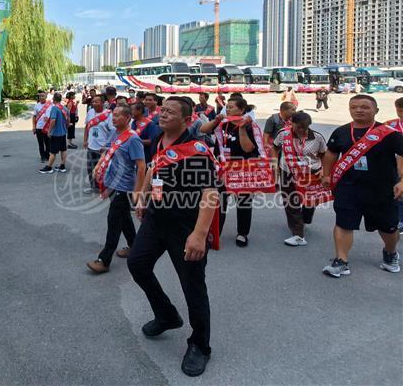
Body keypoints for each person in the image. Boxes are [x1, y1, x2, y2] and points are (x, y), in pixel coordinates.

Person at [128, 96, 219, 377]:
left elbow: (210, 194)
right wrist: (143, 197)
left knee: (192, 287)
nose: (162, 114)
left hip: (186, 227)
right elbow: (155, 169)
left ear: (187, 119)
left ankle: (200, 345)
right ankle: (167, 314)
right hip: (157, 219)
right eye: (161, 110)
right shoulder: (158, 138)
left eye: (170, 112)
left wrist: (199, 235)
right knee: (137, 264)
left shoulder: (197, 150)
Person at [321, 94, 403, 277]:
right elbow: (330, 154)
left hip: (382, 190)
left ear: (376, 110)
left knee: (388, 228)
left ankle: (390, 253)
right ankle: (341, 261)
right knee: (343, 223)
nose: (359, 110)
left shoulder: (389, 133)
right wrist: (326, 174)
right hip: (349, 187)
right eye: (354, 107)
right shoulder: (341, 132)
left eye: (365, 107)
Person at [87, 105, 146, 273]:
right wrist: (98, 166)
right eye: (113, 114)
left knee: (114, 222)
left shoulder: (133, 139)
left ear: (128, 118)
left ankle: (104, 260)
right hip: (112, 182)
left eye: (118, 115)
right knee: (124, 218)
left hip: (124, 186)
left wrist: (137, 191)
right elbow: (107, 152)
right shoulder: (114, 132)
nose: (114, 118)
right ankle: (134, 246)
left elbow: (141, 167)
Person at [201, 97, 260, 247]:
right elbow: (203, 130)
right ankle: (215, 232)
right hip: (222, 168)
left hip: (242, 169)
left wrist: (240, 128)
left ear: (241, 110)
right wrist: (216, 121)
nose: (228, 110)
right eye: (227, 107)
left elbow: (248, 148)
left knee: (244, 202)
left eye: (232, 107)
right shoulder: (223, 124)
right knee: (219, 201)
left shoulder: (249, 126)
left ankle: (242, 233)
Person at [274, 112, 327, 246]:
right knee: (291, 201)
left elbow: (324, 155)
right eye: (299, 127)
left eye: (305, 127)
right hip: (288, 170)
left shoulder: (317, 138)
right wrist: (274, 163)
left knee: (309, 201)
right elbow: (275, 147)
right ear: (292, 124)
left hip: (310, 173)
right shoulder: (283, 134)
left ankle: (304, 219)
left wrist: (324, 170)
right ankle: (298, 234)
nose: (302, 130)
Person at [83, 95, 115, 194]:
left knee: (103, 169)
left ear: (103, 103)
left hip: (103, 148)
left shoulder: (108, 114)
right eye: (93, 101)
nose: (94, 103)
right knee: (90, 168)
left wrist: (107, 145)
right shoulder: (90, 112)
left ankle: (104, 188)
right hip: (91, 145)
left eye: (97, 102)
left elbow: (113, 131)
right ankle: (94, 187)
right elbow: (87, 126)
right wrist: (85, 140)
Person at [39, 92, 69, 174]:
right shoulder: (64, 108)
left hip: (56, 133)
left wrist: (49, 131)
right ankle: (62, 166)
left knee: (53, 151)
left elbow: (53, 120)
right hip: (63, 132)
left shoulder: (54, 108)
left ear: (53, 99)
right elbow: (68, 120)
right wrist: (65, 127)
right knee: (63, 149)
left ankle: (49, 167)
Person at [387, 97, 403, 233]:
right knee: (399, 195)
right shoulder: (389, 126)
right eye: (399, 110)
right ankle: (400, 220)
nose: (401, 113)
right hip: (396, 167)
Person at [33, 90, 51, 163]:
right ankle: (42, 157)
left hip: (47, 127)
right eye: (40, 96)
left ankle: (47, 155)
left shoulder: (50, 105)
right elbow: (34, 116)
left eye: (42, 96)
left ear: (46, 96)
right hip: (39, 127)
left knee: (48, 143)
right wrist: (34, 126)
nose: (41, 97)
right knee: (40, 143)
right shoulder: (37, 105)